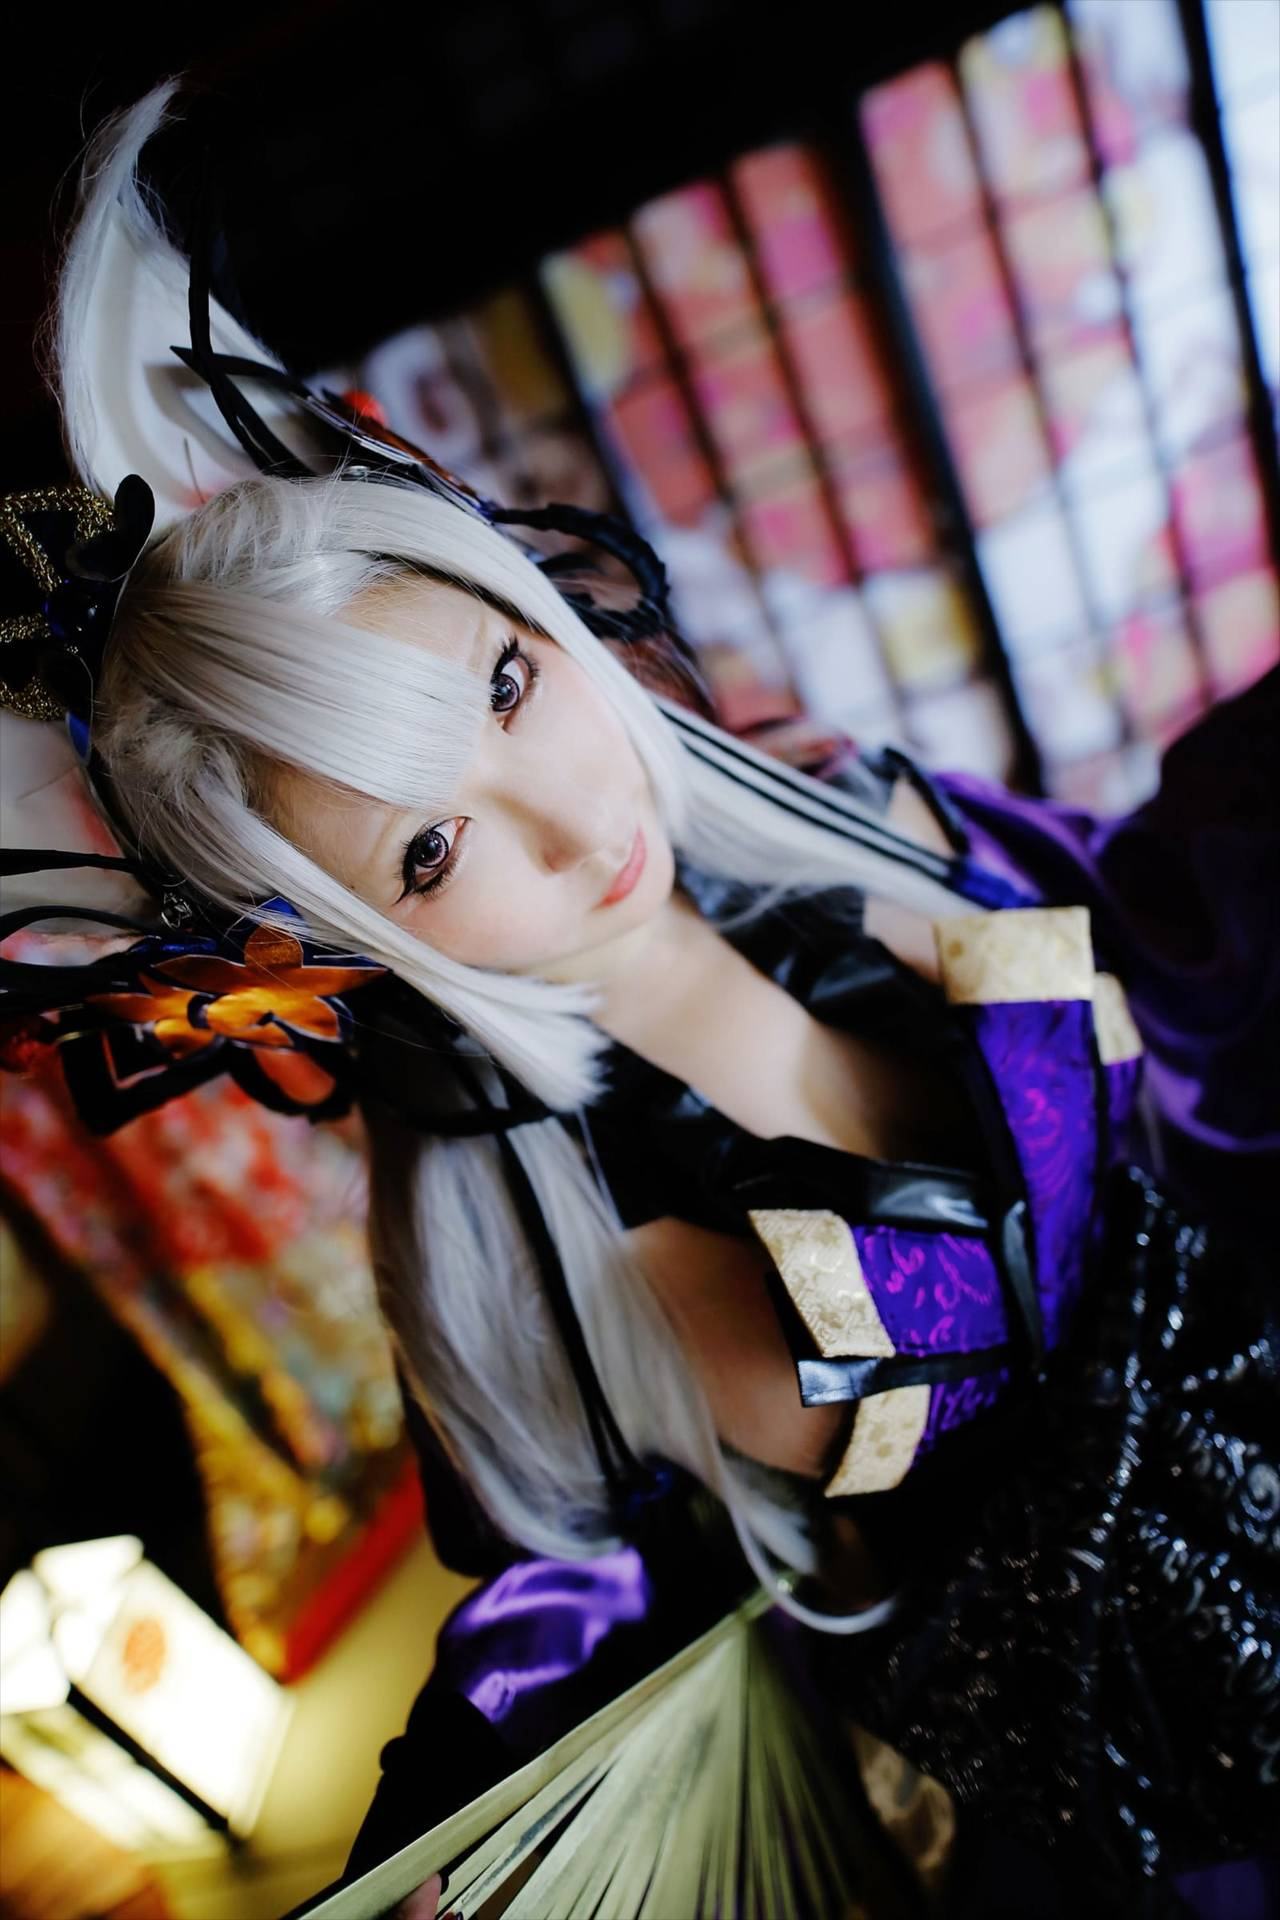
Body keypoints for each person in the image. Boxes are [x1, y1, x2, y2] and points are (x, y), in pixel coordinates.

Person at [2, 84, 1276, 1920]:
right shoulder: (574, 1265)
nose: (568, 819)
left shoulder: (865, 815)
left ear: (534, 603)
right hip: (1163, 1798)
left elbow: (1173, 936)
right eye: (429, 852)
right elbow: (561, 1625)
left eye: (507, 686)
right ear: (341, 940)